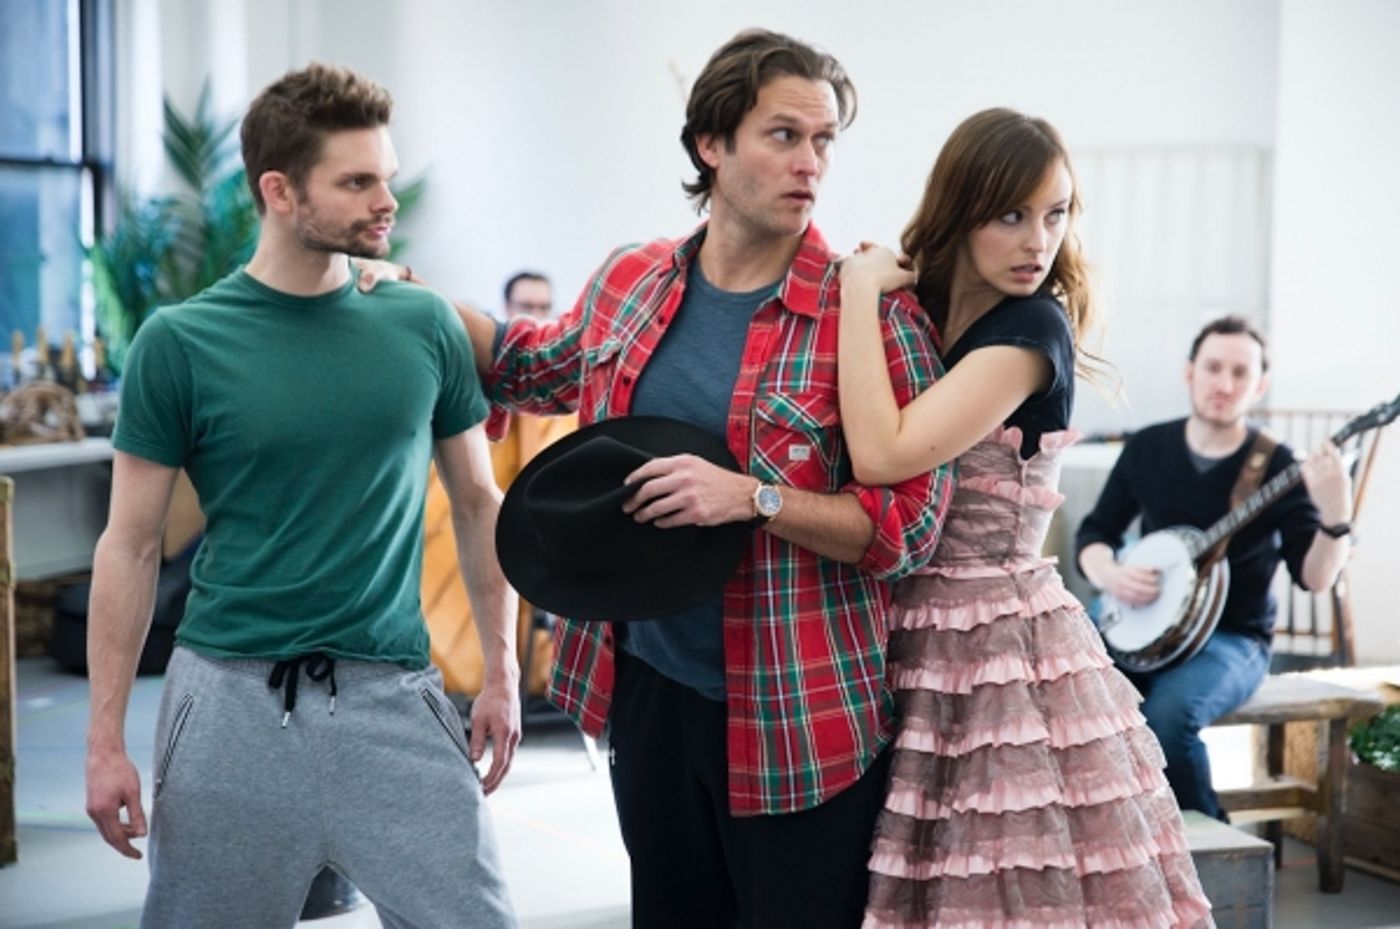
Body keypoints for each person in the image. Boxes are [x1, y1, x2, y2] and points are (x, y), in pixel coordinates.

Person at [361, 27, 953, 929]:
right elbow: (528, 363)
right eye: (784, 136)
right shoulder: (634, 279)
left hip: (800, 710)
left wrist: (752, 498)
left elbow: (906, 532)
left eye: (824, 140)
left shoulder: (866, 311)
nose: (811, 163)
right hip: (648, 690)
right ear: (711, 144)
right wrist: (411, 291)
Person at [84, 63, 520, 929]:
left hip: (394, 695)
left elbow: (478, 501)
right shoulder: (181, 342)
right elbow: (129, 546)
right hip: (228, 708)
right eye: (356, 182)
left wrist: (501, 667)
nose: (384, 201)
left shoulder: (421, 321)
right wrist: (103, 741)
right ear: (280, 191)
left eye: (386, 177)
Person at [837, 107, 1214, 928]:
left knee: (1005, 878)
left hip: (999, 648)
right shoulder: (930, 318)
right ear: (962, 208)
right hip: (905, 631)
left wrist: (857, 291)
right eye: (1012, 214)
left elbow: (881, 452)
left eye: (1056, 213)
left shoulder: (1032, 329)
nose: (1037, 240)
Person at [1076, 315, 1353, 821]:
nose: (1224, 385)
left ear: (1260, 386)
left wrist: (1336, 520)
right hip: (1145, 625)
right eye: (1214, 368)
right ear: (1190, 372)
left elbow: (1314, 578)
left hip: (1234, 639)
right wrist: (1111, 574)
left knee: (1168, 715)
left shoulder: (1278, 465)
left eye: (1240, 373)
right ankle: (1110, 833)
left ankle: (1205, 851)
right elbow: (1094, 535)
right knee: (1073, 694)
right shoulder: (1147, 447)